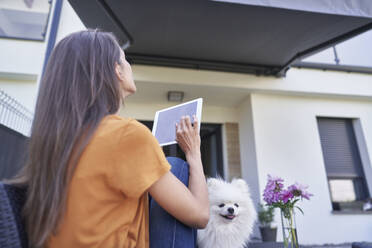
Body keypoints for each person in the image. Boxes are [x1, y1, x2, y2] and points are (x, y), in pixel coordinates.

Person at [12, 29, 209, 248]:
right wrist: (193, 152)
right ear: (118, 70)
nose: (128, 66)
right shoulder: (127, 135)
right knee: (177, 166)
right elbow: (200, 215)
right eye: (126, 60)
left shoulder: (55, 142)